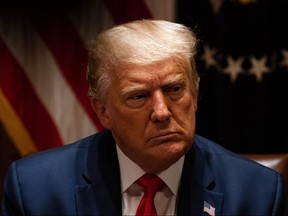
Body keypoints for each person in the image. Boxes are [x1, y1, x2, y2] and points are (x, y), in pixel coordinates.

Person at [2, 19, 285, 216]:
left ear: (195, 96)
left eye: (175, 89)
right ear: (103, 111)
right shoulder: (36, 190)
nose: (162, 112)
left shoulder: (256, 193)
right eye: (139, 96)